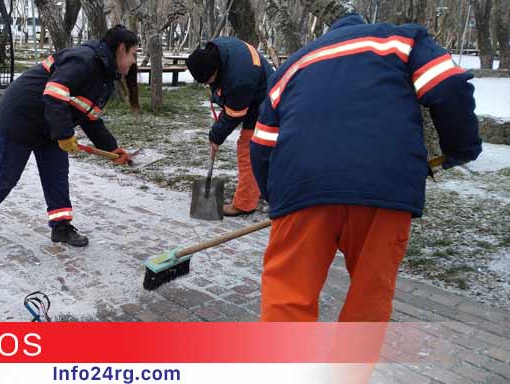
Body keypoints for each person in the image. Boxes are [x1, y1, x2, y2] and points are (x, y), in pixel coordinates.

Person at [251, 12, 482, 322]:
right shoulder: (403, 40)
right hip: (383, 188)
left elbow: (262, 144)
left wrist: (276, 199)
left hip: (300, 186)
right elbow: (448, 85)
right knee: (368, 301)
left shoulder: (293, 65)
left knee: (287, 298)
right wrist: (461, 149)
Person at [0, 25, 137, 247]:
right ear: (121, 49)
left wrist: (111, 148)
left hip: (51, 123)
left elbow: (89, 116)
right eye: (134, 54)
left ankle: (61, 228)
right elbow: (54, 94)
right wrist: (65, 134)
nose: (134, 61)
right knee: (6, 173)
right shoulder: (83, 60)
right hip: (21, 116)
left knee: (56, 175)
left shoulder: (105, 76)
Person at [186, 37, 274, 216]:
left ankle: (245, 204)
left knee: (249, 148)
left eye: (208, 81)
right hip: (256, 89)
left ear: (215, 69)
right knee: (261, 150)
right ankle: (266, 190)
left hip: (265, 100)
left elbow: (234, 114)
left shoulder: (239, 78)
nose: (207, 84)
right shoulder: (217, 51)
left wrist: (216, 136)